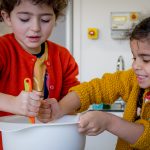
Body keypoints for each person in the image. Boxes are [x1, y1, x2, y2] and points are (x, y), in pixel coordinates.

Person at [46, 17, 150, 150]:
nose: (136, 65)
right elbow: (94, 89)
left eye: (146, 60)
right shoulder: (132, 79)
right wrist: (60, 108)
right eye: (134, 58)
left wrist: (109, 121)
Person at [0, 0, 79, 149]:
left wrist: (60, 107)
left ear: (55, 18)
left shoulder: (62, 56)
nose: (35, 28)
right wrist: (12, 103)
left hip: (48, 143)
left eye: (45, 20)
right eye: (24, 19)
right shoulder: (2, 49)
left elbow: (76, 96)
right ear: (7, 17)